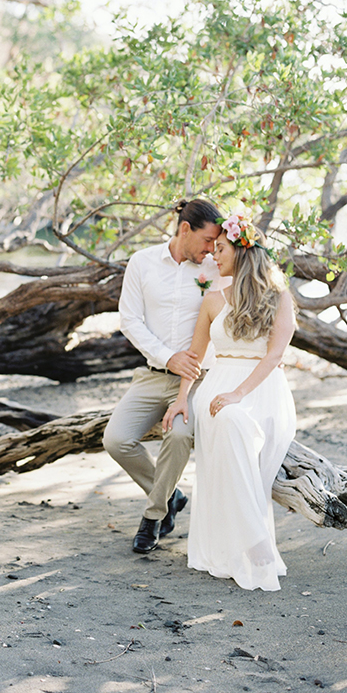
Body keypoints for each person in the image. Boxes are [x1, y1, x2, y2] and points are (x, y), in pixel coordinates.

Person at [162, 213, 297, 591]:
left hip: (262, 390)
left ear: (242, 252)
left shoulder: (279, 297)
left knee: (235, 419)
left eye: (220, 249)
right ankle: (255, 543)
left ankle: (252, 542)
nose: (213, 255)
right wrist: (181, 400)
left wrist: (239, 394)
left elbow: (273, 357)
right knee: (227, 421)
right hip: (217, 387)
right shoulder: (212, 298)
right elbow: (193, 357)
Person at [103, 198, 223, 554]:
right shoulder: (142, 262)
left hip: (197, 380)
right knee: (116, 440)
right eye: (206, 240)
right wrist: (167, 357)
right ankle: (172, 495)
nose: (210, 249)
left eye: (216, 243)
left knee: (178, 434)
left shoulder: (215, 268)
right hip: (153, 374)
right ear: (184, 229)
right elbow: (130, 321)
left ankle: (154, 515)